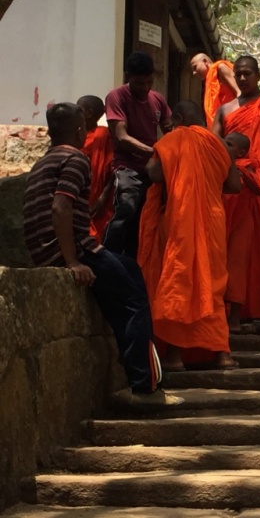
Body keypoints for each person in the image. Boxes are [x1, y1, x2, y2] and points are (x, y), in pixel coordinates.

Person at [23, 102, 182, 407]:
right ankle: (145, 386)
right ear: (82, 129)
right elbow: (60, 207)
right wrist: (71, 261)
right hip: (72, 248)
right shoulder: (75, 159)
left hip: (45, 249)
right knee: (134, 297)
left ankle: (135, 373)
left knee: (128, 270)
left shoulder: (41, 163)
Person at [138, 100, 242, 371]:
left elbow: (154, 174)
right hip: (214, 223)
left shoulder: (176, 138)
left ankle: (174, 357)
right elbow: (233, 185)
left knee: (181, 280)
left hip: (181, 222)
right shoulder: (219, 144)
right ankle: (222, 355)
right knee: (213, 284)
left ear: (180, 118)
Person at [212, 55, 260, 325]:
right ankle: (226, 309)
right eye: (239, 74)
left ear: (258, 76)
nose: (243, 78)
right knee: (231, 249)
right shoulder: (224, 110)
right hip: (232, 189)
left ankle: (259, 306)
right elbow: (213, 146)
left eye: (248, 73)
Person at [104, 51, 174, 258]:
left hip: (151, 170)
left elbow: (170, 128)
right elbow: (121, 137)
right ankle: (108, 259)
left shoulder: (158, 99)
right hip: (127, 167)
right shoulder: (116, 97)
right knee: (126, 210)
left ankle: (135, 263)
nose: (145, 88)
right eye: (140, 83)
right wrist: (156, 151)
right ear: (128, 77)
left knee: (146, 219)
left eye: (149, 83)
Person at [222, 132, 260, 335]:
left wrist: (240, 170)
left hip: (241, 226)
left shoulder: (247, 165)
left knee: (236, 271)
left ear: (241, 151)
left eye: (229, 144)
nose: (224, 146)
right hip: (222, 223)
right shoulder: (219, 162)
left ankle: (234, 319)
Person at [77, 95, 114, 241]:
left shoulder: (103, 136)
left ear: (89, 113)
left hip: (98, 199)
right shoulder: (75, 135)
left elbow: (112, 168)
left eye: (79, 109)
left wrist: (103, 197)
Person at [190, 53, 240, 128]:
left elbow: (239, 92)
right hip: (221, 125)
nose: (194, 73)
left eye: (195, 67)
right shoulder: (209, 81)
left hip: (234, 121)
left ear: (205, 61)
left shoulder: (221, 68)